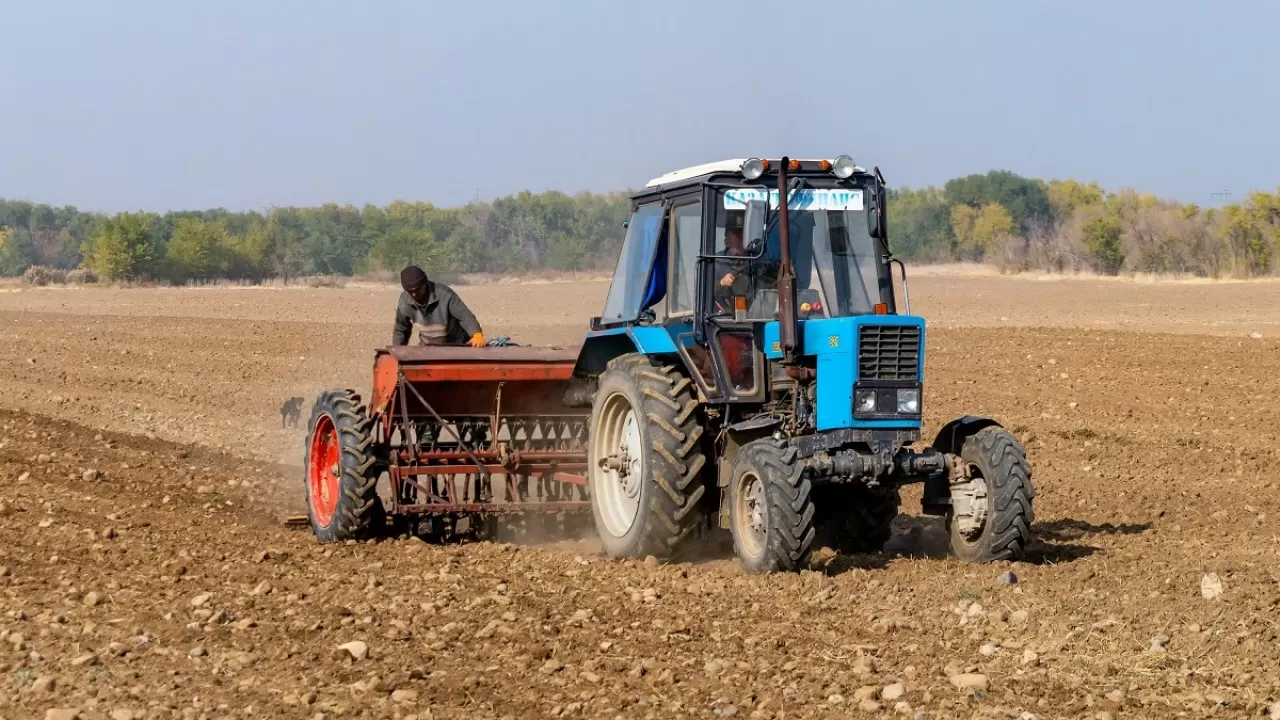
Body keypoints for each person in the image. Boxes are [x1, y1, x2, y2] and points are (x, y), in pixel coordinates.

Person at [392, 265, 486, 347]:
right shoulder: (404, 301)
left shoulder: (445, 295)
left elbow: (465, 316)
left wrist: (476, 334)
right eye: (410, 291)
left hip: (456, 346)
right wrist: (397, 350)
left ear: (425, 283)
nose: (414, 294)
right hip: (427, 348)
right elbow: (401, 328)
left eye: (417, 290)